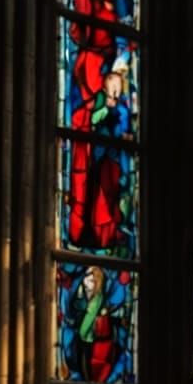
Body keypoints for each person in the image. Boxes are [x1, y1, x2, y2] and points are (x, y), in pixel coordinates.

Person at [68, 68, 130, 252]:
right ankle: (95, 234)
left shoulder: (121, 109)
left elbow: (123, 128)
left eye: (117, 91)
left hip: (112, 160)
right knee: (97, 196)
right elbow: (92, 119)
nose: (114, 94)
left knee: (111, 195)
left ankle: (109, 233)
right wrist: (104, 111)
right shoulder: (100, 104)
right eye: (111, 89)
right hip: (98, 159)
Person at [69, 265, 121, 383]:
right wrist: (80, 295)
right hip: (83, 333)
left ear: (97, 281)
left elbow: (90, 316)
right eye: (86, 277)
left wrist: (83, 332)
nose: (86, 280)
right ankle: (86, 381)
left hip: (87, 334)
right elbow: (76, 306)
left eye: (91, 278)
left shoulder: (98, 298)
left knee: (86, 359)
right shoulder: (87, 294)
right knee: (80, 358)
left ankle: (88, 382)